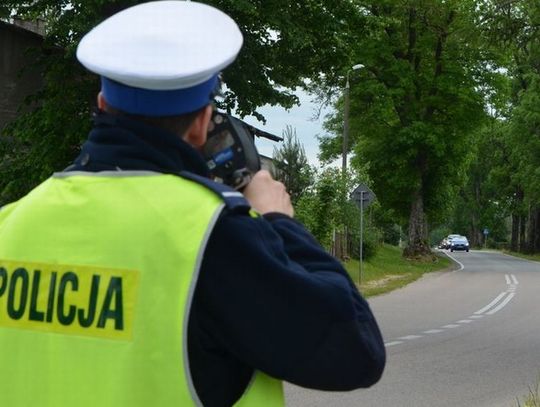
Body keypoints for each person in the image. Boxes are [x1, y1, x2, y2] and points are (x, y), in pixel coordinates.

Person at [0, 2, 385, 406]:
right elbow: (355, 350)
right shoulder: (213, 235)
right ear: (202, 123)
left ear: (101, 104)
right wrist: (279, 222)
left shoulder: (11, 224)